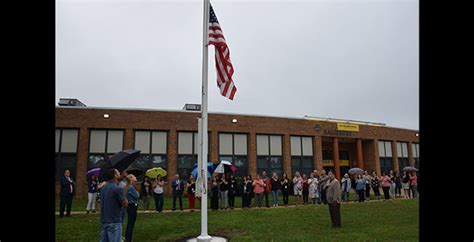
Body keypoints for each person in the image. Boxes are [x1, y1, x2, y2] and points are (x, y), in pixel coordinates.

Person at [99, 168, 128, 242]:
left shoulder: (103, 188)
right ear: (115, 175)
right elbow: (125, 203)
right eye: (118, 172)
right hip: (114, 221)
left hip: (104, 221)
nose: (120, 174)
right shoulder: (117, 189)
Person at [124, 174, 139, 242]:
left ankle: (128, 237)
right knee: (131, 223)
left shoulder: (130, 186)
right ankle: (129, 238)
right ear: (131, 179)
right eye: (134, 176)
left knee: (130, 222)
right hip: (132, 206)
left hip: (130, 206)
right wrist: (137, 192)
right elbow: (137, 196)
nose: (135, 177)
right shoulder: (131, 187)